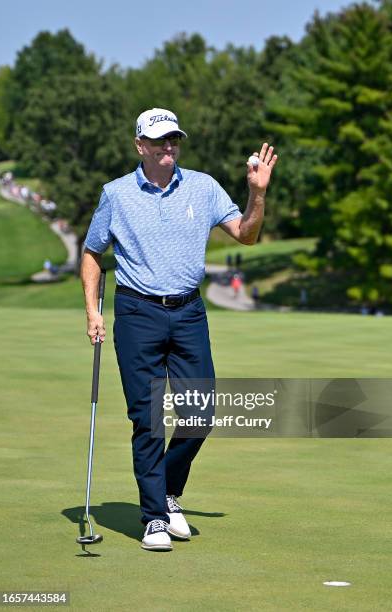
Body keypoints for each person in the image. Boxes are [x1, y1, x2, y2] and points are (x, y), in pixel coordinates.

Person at [80, 107, 278, 552]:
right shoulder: (116, 194)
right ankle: (153, 518)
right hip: (137, 314)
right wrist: (93, 311)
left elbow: (246, 234)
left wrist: (258, 194)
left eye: (174, 139)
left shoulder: (204, 187)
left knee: (200, 415)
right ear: (140, 146)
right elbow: (93, 254)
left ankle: (167, 491)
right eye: (159, 140)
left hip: (188, 313)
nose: (168, 147)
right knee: (147, 420)